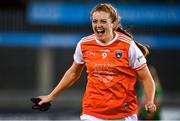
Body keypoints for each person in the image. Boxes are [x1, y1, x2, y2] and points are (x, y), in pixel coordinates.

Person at [36, 3, 156, 121]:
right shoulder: (84, 44)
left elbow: (146, 78)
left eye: (103, 21)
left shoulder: (128, 45)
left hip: (123, 113)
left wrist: (150, 101)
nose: (98, 25)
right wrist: (51, 96)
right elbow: (73, 73)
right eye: (95, 21)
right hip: (92, 112)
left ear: (113, 24)